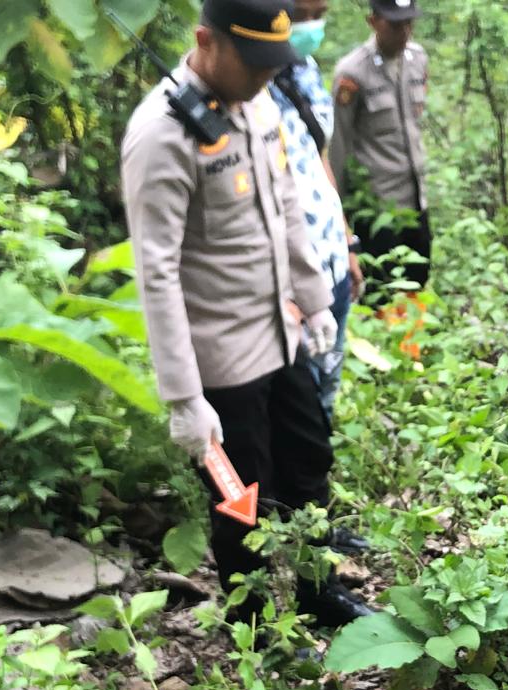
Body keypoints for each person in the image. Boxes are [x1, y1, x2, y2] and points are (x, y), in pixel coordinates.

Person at [120, 0, 371, 627]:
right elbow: (156, 272)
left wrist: (315, 304)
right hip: (221, 360)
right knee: (241, 499)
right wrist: (184, 397)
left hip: (280, 333)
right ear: (207, 41)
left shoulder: (256, 104)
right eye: (253, 61)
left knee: (310, 462)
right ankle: (254, 626)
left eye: (273, 63)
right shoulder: (162, 134)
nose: (265, 76)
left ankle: (319, 590)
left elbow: (287, 208)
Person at [268, 0, 364, 420]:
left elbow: (319, 154)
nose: (313, 26)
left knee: (326, 386)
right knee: (293, 409)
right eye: (302, 16)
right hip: (289, 278)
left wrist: (346, 241)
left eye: (320, 13)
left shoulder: (306, 69)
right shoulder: (249, 86)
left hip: (331, 259)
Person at [329, 0, 431, 297]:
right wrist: (340, 215)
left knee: (417, 280)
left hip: (415, 200)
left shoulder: (417, 59)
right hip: (376, 208)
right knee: (381, 291)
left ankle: (414, 343)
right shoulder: (352, 73)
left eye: (409, 23)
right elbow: (339, 146)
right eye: (395, 24)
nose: (404, 32)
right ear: (373, 22)